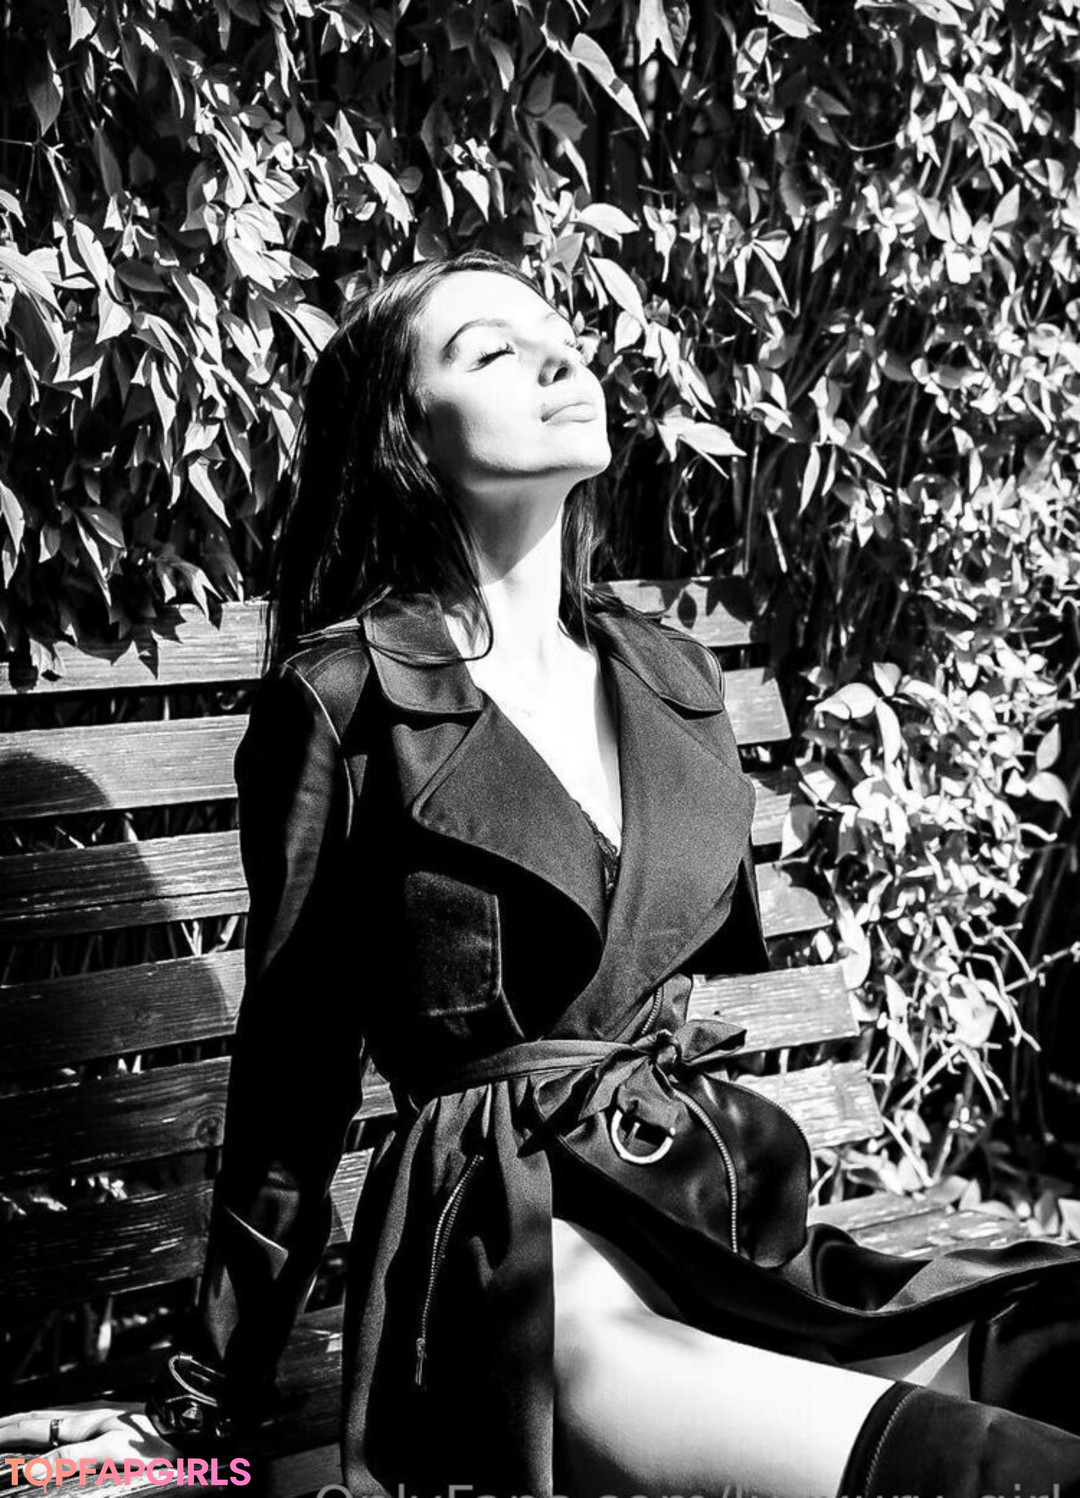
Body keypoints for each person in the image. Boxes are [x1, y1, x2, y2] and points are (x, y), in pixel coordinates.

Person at [7, 248, 1080, 1498]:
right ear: (406, 437)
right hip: (516, 1257)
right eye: (492, 352)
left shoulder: (670, 675)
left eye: (559, 333)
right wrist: (206, 1407)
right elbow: (295, 1074)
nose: (562, 357)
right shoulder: (349, 699)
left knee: (1055, 1333)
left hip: (702, 1218)